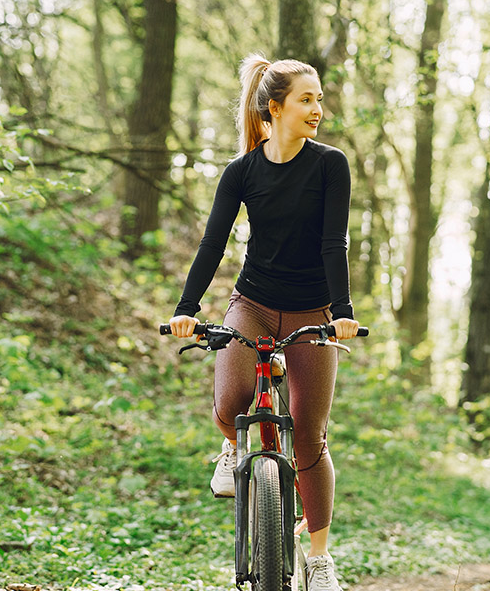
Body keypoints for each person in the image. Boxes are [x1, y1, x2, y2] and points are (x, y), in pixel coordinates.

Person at [168, 53, 359, 591]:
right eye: (307, 98)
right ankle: (232, 448)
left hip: (312, 309)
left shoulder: (330, 164)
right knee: (229, 402)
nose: (318, 107)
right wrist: (188, 307)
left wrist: (341, 314)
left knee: (309, 439)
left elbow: (333, 243)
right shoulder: (242, 171)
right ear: (274, 108)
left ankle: (316, 556)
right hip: (252, 302)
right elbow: (213, 244)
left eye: (319, 98)